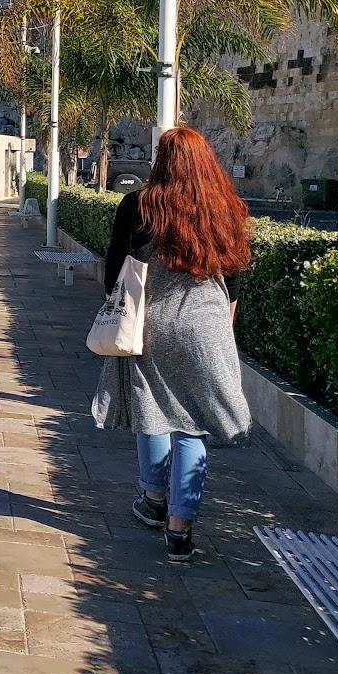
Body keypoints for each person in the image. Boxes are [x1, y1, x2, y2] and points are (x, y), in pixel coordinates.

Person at [91, 126, 252, 563]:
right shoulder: (226, 208)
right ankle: (180, 529)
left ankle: (152, 499)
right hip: (209, 326)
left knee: (155, 412)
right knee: (193, 423)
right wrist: (223, 332)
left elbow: (115, 273)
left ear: (161, 161)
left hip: (152, 326)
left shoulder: (139, 205)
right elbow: (234, 277)